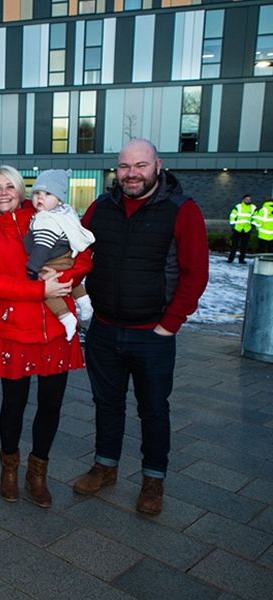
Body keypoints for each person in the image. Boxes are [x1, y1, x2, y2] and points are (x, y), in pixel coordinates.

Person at [73, 138, 208, 515]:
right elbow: (77, 253)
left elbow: (195, 274)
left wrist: (170, 324)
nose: (132, 174)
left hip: (153, 333)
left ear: (157, 166)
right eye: (125, 166)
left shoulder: (182, 210)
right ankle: (105, 466)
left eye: (141, 165)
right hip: (104, 328)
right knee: (106, 403)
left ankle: (153, 479)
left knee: (153, 409)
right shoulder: (102, 207)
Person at [0, 166, 91, 508]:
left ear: (23, 192)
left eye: (11, 186)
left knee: (51, 404)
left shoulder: (45, 217)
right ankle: (9, 467)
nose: (4, 192)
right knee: (13, 404)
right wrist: (40, 289)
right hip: (15, 330)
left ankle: (38, 471)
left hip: (56, 328)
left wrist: (67, 273)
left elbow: (83, 255)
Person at [25, 169, 95, 341]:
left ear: (58, 199)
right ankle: (85, 303)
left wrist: (32, 269)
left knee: (48, 290)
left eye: (48, 193)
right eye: (36, 193)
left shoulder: (46, 220)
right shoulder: (64, 212)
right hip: (66, 257)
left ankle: (67, 318)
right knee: (70, 280)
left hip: (52, 260)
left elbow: (42, 246)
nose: (40, 197)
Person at [227, 194, 256, 263]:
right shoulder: (238, 206)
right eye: (246, 199)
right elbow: (232, 216)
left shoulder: (253, 207)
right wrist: (233, 225)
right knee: (234, 245)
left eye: (249, 199)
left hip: (247, 229)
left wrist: (252, 226)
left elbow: (255, 218)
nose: (248, 200)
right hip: (237, 228)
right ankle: (230, 259)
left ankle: (241, 259)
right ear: (243, 200)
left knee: (244, 246)